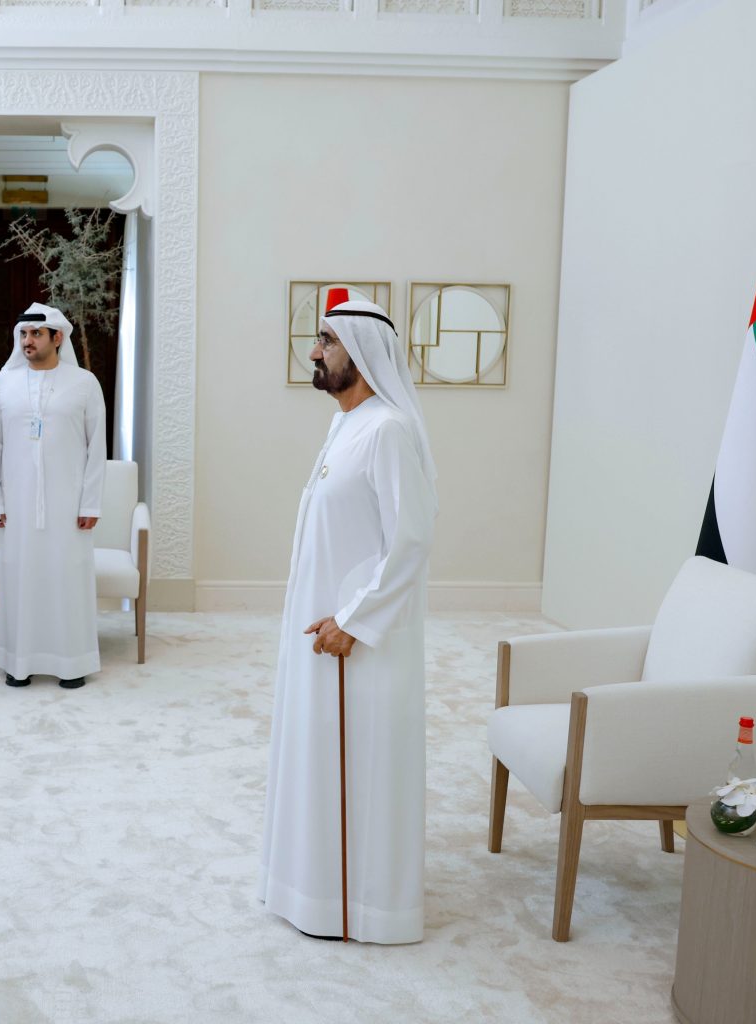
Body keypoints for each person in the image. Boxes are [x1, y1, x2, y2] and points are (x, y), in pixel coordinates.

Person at [258, 298, 438, 944]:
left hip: (356, 645)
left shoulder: (387, 430)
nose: (314, 351)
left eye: (326, 340)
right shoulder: (348, 425)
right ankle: (307, 889)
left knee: (357, 768)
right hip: (321, 634)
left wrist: (354, 620)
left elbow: (410, 541)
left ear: (361, 352)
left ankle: (363, 908)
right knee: (316, 759)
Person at [0, 303, 105, 689]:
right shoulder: (4, 383)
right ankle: (19, 663)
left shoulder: (84, 383)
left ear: (58, 337)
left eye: (36, 333)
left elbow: (96, 447)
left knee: (67, 578)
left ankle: (72, 663)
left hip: (68, 503)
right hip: (17, 504)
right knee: (21, 579)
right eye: (23, 334)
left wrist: (90, 502)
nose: (27, 341)